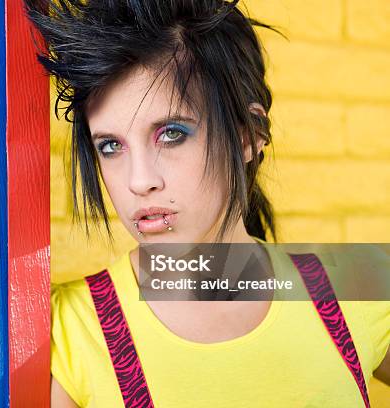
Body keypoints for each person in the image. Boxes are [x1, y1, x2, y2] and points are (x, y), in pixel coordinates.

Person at [24, 0, 390, 406]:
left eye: (172, 134)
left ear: (249, 134)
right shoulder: (72, 332)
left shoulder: (359, 286)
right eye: (111, 146)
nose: (139, 181)